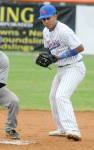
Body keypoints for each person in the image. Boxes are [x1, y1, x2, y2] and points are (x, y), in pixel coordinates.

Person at [38, 4, 86, 141]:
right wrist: (46, 57)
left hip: (74, 67)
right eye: (43, 19)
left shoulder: (64, 30)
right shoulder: (45, 31)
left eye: (48, 18)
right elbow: (49, 50)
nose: (45, 21)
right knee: (53, 97)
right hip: (61, 69)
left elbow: (80, 48)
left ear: (55, 15)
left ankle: (73, 130)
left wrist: (58, 57)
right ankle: (62, 129)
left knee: (61, 96)